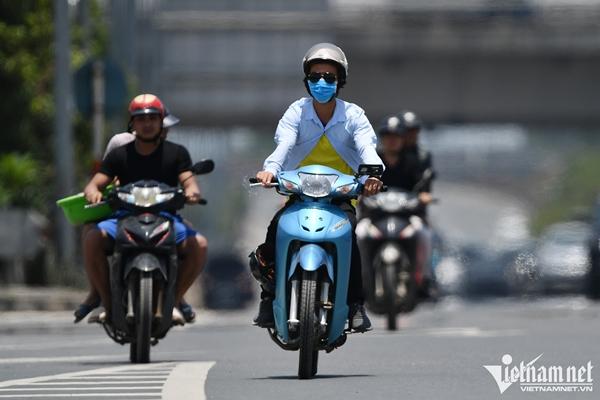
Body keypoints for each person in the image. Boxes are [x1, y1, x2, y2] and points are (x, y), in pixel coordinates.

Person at [251, 43, 384, 332]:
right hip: (299, 196)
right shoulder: (296, 112)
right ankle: (268, 296)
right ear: (306, 81)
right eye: (315, 77)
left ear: (340, 81)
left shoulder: (354, 115)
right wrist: (270, 169)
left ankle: (355, 305)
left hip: (340, 199)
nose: (321, 82)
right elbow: (284, 144)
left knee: (350, 238)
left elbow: (367, 147)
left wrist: (373, 174)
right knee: (276, 230)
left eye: (329, 77)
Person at [80, 93, 205, 323]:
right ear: (132, 124)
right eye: (141, 119)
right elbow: (95, 183)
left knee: (200, 245)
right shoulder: (118, 154)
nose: (147, 124)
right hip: (124, 218)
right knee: (92, 238)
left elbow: (189, 181)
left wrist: (192, 192)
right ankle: (107, 303)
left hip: (166, 219)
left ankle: (175, 301)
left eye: (152, 119)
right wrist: (94, 191)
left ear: (161, 122)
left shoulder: (177, 153)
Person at [377, 111, 436, 296]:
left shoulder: (414, 160)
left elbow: (422, 184)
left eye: (396, 136)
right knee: (358, 233)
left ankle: (425, 278)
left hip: (407, 214)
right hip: (377, 214)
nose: (392, 141)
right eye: (388, 136)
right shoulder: (373, 159)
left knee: (424, 234)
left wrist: (423, 196)